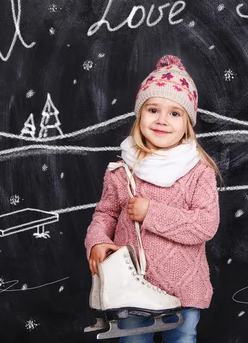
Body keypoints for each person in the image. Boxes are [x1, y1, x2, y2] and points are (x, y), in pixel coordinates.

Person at [84, 55, 220, 343]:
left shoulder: (198, 172)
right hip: (132, 289)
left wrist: (151, 213)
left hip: (182, 289)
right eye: (153, 109)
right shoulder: (122, 171)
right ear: (140, 115)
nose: (161, 120)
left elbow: (205, 225)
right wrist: (97, 240)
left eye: (174, 113)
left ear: (187, 123)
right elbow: (105, 213)